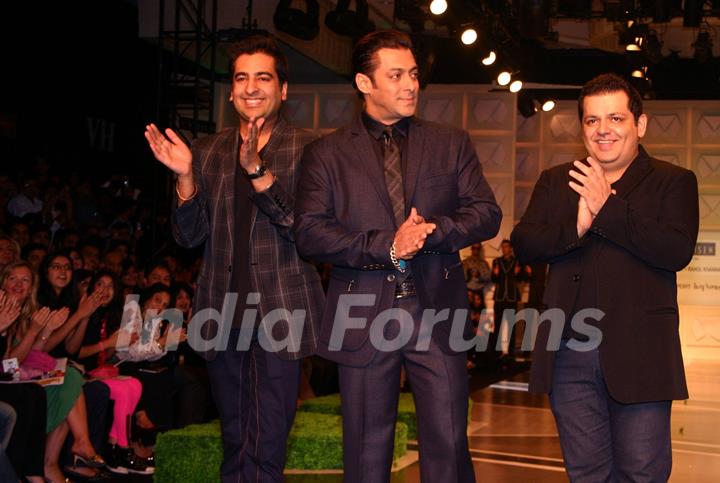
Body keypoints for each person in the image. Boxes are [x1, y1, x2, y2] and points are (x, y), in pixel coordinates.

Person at [294, 29, 501, 483]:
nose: (410, 84)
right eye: (396, 75)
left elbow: (487, 213)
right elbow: (309, 233)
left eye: (412, 74)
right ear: (365, 84)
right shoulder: (326, 154)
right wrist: (388, 246)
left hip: (437, 313)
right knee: (366, 450)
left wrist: (433, 232)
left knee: (448, 443)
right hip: (362, 314)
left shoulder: (450, 141)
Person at [144, 33, 324, 482]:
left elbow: (307, 232)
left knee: (268, 437)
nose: (250, 87)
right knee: (234, 435)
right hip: (222, 310)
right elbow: (189, 237)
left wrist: (258, 173)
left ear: (283, 89)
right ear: (231, 91)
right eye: (241, 78)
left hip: (280, 307)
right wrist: (185, 178)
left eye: (263, 77)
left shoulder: (310, 149)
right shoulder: (207, 151)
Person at [510, 73, 699, 482]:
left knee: (642, 473)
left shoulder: (674, 182)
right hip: (568, 355)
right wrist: (575, 228)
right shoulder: (557, 180)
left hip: (641, 355)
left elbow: (675, 250)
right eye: (592, 120)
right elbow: (524, 242)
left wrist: (606, 208)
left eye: (615, 118)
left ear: (640, 124)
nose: (603, 130)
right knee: (586, 474)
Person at [490, 239, 521, 364]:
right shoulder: (496, 261)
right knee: (497, 325)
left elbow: (522, 278)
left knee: (511, 325)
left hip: (512, 297)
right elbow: (494, 279)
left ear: (511, 248)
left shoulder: (517, 261)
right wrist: (495, 274)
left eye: (506, 246)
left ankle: (511, 352)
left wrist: (519, 272)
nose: (504, 249)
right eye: (502, 247)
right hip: (500, 297)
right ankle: (497, 352)